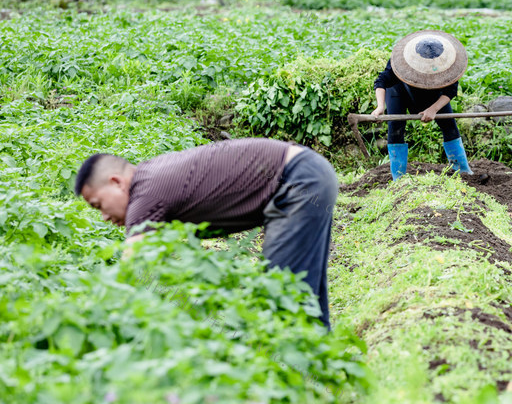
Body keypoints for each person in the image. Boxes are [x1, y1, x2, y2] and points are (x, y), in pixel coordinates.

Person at [74, 138, 338, 330]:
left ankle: (296, 391)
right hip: (306, 172)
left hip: (298, 181)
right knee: (302, 293)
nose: (105, 217)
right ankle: (321, 380)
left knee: (279, 297)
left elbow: (133, 272)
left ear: (116, 183)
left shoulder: (144, 193)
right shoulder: (151, 177)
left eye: (98, 205)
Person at [372, 29, 477, 180]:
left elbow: (451, 90)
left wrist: (433, 109)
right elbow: (381, 81)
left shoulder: (448, 63)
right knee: (395, 127)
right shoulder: (401, 60)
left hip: (434, 95)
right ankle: (399, 179)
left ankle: (463, 172)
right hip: (399, 92)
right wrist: (380, 106)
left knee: (449, 125)